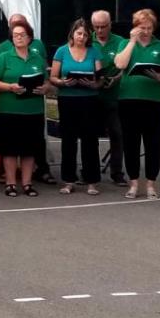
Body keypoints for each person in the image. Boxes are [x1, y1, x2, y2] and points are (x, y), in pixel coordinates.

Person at [0, 19, 50, 197]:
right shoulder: (4, 57)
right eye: (15, 35)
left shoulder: (37, 58)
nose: (19, 38)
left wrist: (44, 88)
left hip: (33, 110)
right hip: (10, 109)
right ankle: (10, 183)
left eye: (22, 35)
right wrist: (9, 87)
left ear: (29, 38)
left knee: (29, 149)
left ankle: (27, 183)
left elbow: (47, 81)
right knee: (9, 149)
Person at [114, 9, 160, 200]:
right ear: (135, 27)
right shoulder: (124, 43)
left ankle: (151, 184)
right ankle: (133, 183)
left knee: (153, 143)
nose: (146, 32)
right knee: (131, 143)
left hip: (153, 101)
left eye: (149, 28)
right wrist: (132, 42)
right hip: (129, 100)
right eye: (142, 28)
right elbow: (120, 64)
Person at [49, 19, 103, 195]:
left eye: (85, 35)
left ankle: (92, 181)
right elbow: (53, 77)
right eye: (79, 33)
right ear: (72, 33)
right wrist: (63, 82)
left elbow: (100, 78)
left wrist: (93, 84)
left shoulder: (94, 52)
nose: (81, 37)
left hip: (89, 100)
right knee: (68, 140)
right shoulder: (62, 51)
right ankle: (68, 180)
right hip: (68, 99)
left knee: (90, 141)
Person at [91, 10, 127, 186]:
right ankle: (90, 171)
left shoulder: (120, 42)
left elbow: (125, 67)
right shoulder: (86, 40)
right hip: (92, 96)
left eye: (103, 26)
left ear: (110, 24)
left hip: (114, 96)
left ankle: (117, 172)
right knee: (90, 135)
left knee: (117, 134)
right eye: (96, 27)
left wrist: (116, 79)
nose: (99, 30)